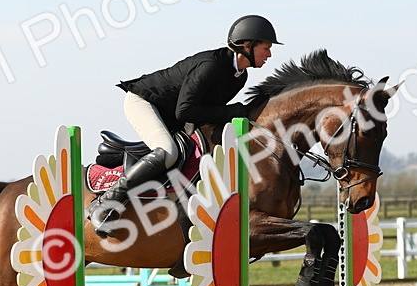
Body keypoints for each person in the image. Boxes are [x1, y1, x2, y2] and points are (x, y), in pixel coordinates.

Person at [86, 15, 282, 235]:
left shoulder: (239, 76)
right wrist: (235, 111)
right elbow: (186, 110)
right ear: (247, 45)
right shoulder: (211, 66)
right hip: (145, 102)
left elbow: (204, 112)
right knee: (167, 152)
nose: (269, 54)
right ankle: (105, 204)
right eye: (266, 48)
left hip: (172, 114)